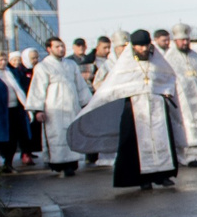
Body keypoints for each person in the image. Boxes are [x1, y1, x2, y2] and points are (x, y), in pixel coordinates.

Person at [68, 28, 186, 189]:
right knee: (135, 145)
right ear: (133, 47)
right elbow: (112, 87)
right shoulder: (124, 64)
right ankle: (142, 179)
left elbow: (169, 79)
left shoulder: (158, 62)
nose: (144, 49)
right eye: (140, 46)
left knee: (162, 141)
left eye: (146, 45)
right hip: (135, 110)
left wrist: (165, 92)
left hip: (157, 108)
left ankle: (163, 175)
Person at [26, 34, 90, 175]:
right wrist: (38, 110)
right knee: (57, 135)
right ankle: (58, 164)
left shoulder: (71, 64)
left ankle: (72, 163)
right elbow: (38, 88)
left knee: (72, 133)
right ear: (49, 49)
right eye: (57, 47)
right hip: (53, 108)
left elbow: (80, 85)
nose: (61, 49)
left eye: (62, 46)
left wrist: (86, 103)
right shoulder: (43, 66)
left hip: (71, 106)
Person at [160, 25, 197, 167]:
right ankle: (185, 156)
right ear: (175, 41)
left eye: (187, 40)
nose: (185, 43)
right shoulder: (168, 59)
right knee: (184, 126)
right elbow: (163, 79)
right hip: (180, 101)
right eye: (182, 40)